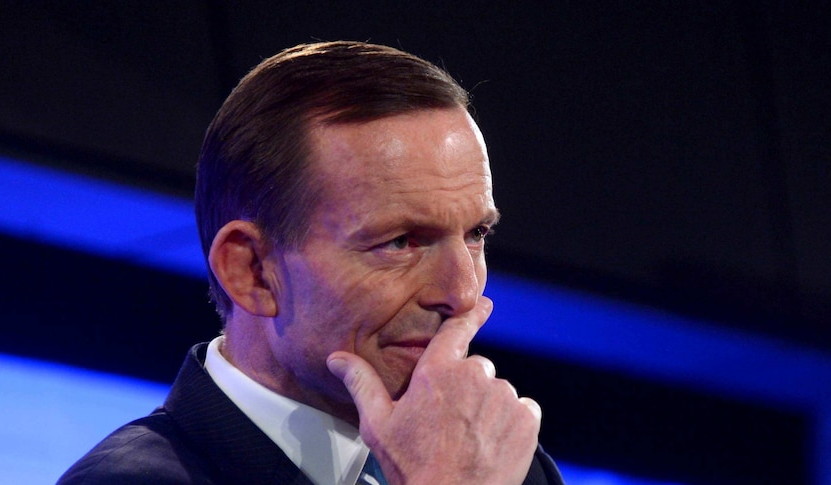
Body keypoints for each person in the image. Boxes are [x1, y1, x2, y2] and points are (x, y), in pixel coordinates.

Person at [58, 41, 564, 485]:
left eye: (476, 234)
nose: (463, 294)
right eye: (401, 241)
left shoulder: (505, 466)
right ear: (252, 271)